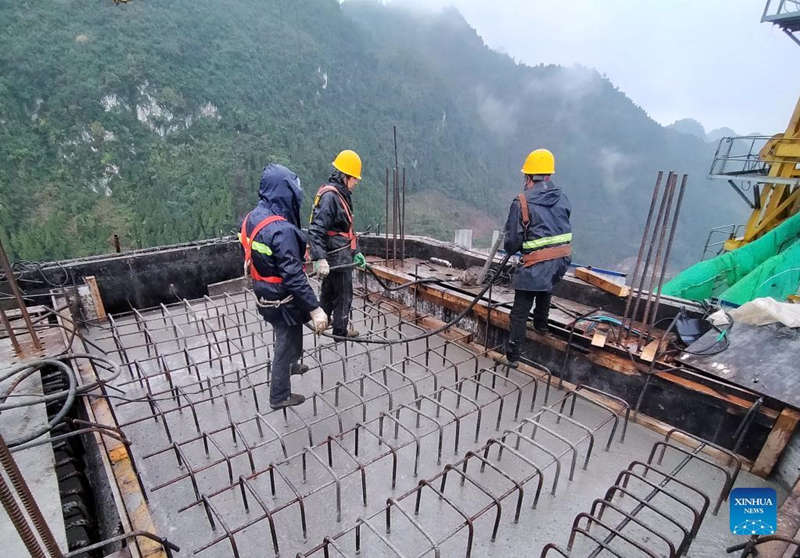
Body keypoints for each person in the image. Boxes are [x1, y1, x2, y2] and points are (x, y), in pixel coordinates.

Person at [239, 163, 328, 409]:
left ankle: (292, 366)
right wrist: (315, 308)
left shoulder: (251, 218)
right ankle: (279, 395)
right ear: (285, 193)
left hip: (263, 289)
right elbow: (294, 276)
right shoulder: (281, 230)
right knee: (285, 340)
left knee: (291, 328)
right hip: (280, 296)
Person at [499, 148, 572, 367]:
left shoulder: (521, 201)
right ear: (548, 175)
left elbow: (512, 242)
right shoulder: (562, 197)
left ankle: (512, 356)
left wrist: (514, 248)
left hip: (535, 265)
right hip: (561, 260)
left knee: (520, 312)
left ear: (528, 177)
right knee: (545, 284)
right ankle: (541, 324)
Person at [308, 149, 367, 339]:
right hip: (336, 256)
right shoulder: (331, 197)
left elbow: (346, 228)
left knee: (328, 290)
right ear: (345, 176)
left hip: (340, 252)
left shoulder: (340, 194)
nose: (356, 182)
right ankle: (340, 332)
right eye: (354, 178)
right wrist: (319, 258)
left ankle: (323, 321)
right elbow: (316, 229)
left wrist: (355, 251)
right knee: (343, 295)